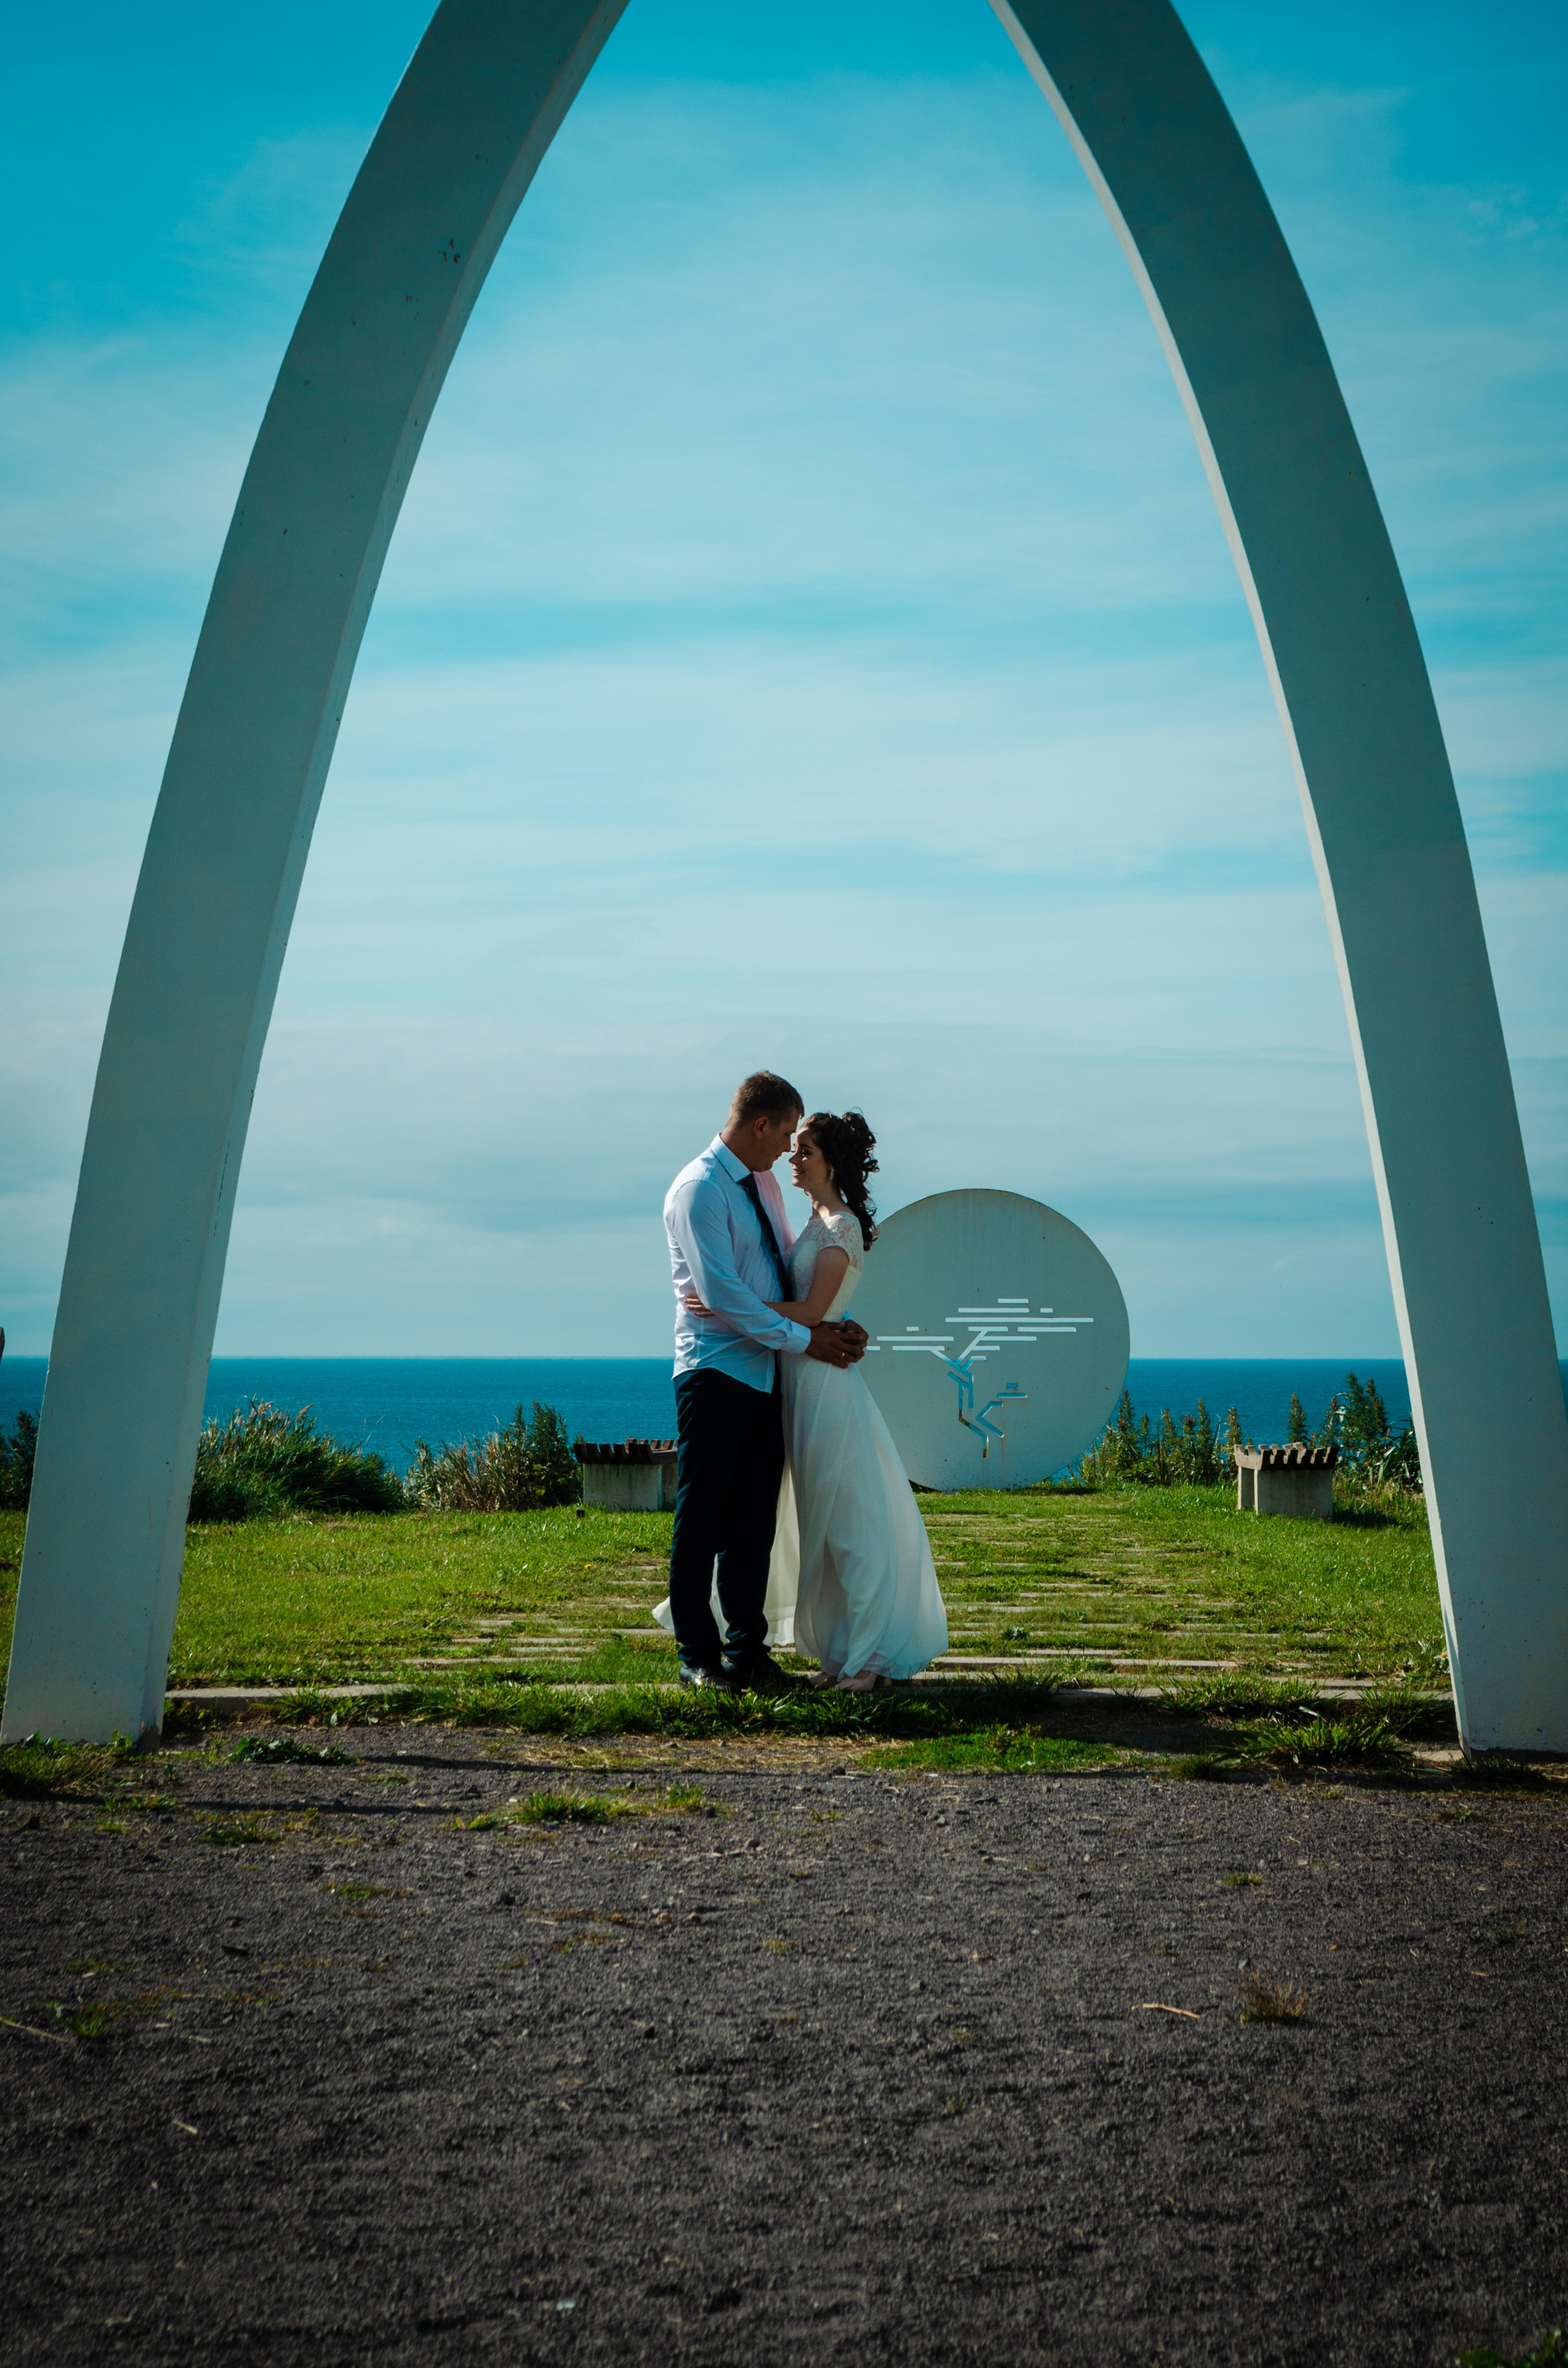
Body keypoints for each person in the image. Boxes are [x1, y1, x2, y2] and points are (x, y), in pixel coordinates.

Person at [659, 1073, 867, 1692]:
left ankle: (747, 1652)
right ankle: (698, 1657)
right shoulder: (699, 1189)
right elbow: (720, 1293)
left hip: (765, 1369)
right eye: (783, 1134)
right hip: (715, 1368)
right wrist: (810, 1339)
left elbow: (778, 1276)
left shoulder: (765, 1185)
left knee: (753, 1520)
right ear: (760, 1125)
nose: (786, 1148)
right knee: (703, 1515)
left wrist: (835, 1323)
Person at [759, 1112, 948, 1689]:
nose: (795, 1158)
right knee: (821, 1521)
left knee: (849, 1525)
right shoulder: (813, 1223)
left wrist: (730, 1306)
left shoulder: (840, 1225)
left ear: (831, 1160)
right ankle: (843, 1654)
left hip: (825, 1386)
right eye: (794, 1149)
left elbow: (816, 1314)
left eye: (806, 1150)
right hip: (800, 1380)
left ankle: (869, 1657)